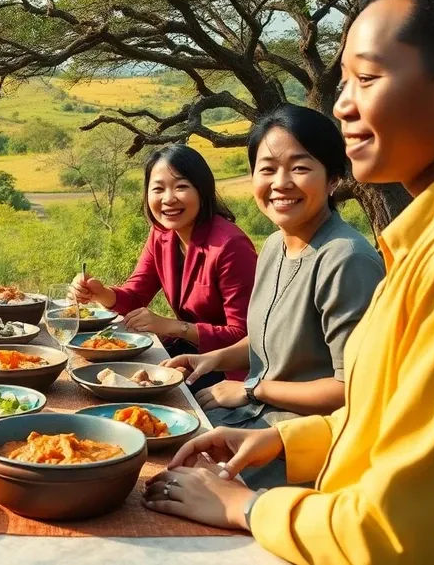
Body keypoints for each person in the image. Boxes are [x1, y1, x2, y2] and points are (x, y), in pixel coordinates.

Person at [145, 0, 434, 563]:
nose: (342, 104)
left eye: (367, 78)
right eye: (344, 82)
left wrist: (241, 505)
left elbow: (401, 536)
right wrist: (281, 441)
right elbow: (383, 415)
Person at [161, 105, 385, 487]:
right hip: (250, 420)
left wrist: (250, 387)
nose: (280, 182)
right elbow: (272, 338)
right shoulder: (274, 247)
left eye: (299, 167)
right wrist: (211, 358)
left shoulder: (346, 259)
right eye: (267, 169)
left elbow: (351, 390)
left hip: (297, 447)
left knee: (168, 481)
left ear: (333, 178)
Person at [70, 144, 258, 390]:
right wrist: (101, 293)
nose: (168, 199)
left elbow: (245, 336)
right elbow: (137, 294)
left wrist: (174, 326)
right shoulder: (162, 235)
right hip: (188, 355)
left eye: (181, 187)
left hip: (231, 374)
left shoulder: (230, 246)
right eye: (158, 189)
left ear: (203, 190)